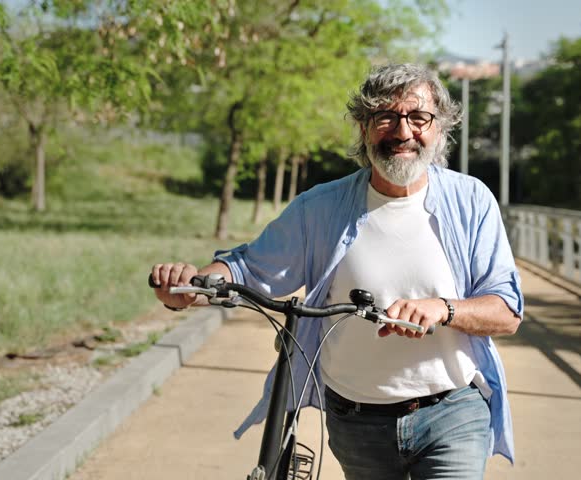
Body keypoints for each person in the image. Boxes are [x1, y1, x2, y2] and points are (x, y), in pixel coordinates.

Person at [151, 63, 523, 479]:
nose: (402, 132)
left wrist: (444, 309)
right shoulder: (321, 208)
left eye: (418, 117)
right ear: (364, 129)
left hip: (451, 414)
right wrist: (189, 287)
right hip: (357, 420)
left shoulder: (471, 201)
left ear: (438, 129)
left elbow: (506, 312)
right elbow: (247, 267)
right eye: (386, 117)